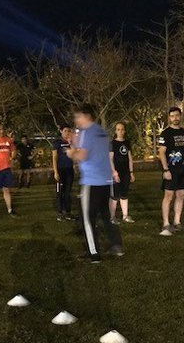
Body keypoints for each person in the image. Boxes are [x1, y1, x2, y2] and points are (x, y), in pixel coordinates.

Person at [66, 104, 123, 263]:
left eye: (78, 117)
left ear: (86, 116)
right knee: (105, 214)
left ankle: (94, 253)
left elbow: (82, 156)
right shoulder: (102, 132)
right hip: (104, 180)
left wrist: (71, 153)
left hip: (91, 181)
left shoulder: (86, 132)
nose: (76, 120)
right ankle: (116, 244)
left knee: (87, 218)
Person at [158, 107, 184, 233]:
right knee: (169, 196)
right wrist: (165, 170)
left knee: (181, 195)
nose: (175, 118)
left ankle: (177, 221)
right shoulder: (165, 133)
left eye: (177, 115)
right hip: (171, 169)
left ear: (180, 116)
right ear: (169, 117)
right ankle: (165, 223)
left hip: (183, 169)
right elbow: (161, 152)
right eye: (172, 116)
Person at [109, 122, 136, 224]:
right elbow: (110, 159)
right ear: (116, 131)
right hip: (116, 172)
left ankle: (125, 215)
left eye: (122, 129)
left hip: (125, 172)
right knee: (115, 195)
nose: (120, 131)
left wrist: (131, 172)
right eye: (118, 129)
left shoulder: (127, 143)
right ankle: (112, 217)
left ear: (125, 131)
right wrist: (114, 172)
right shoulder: (112, 143)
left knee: (124, 194)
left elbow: (130, 159)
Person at [52, 125, 75, 221]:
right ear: (61, 131)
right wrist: (55, 172)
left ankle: (68, 212)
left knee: (67, 192)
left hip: (69, 169)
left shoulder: (71, 142)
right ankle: (60, 213)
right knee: (60, 192)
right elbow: (54, 157)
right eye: (65, 130)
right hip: (60, 170)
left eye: (68, 131)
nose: (67, 132)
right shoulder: (57, 143)